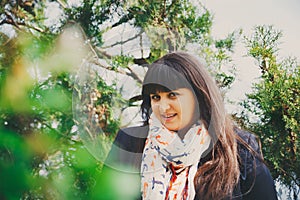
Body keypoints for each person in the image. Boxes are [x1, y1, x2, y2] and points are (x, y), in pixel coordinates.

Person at [103, 52, 278, 200]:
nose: (163, 107)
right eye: (156, 97)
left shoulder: (238, 149)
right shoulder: (131, 143)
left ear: (198, 96)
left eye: (172, 95)